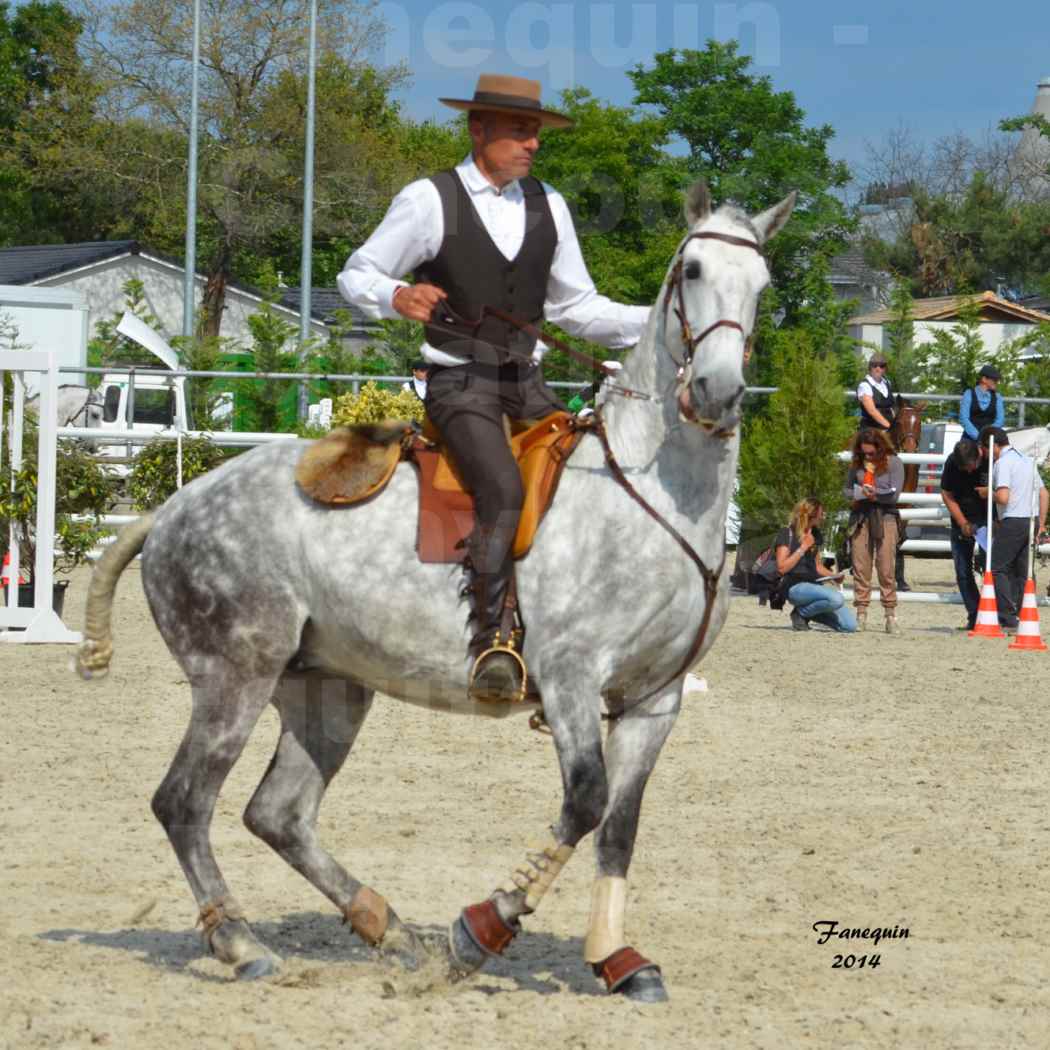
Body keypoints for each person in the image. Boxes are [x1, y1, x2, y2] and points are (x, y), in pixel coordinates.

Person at [337, 73, 649, 702]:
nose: (532, 144)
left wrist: (664, 319)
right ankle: (491, 641)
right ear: (478, 129)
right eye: (519, 132)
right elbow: (357, 272)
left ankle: (586, 632)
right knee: (504, 484)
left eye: (535, 133)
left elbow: (577, 308)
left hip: (527, 384)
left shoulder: (549, 204)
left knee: (595, 473)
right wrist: (396, 294)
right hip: (461, 384)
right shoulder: (429, 200)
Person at [978, 426, 1049, 633]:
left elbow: (1002, 497)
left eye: (984, 449)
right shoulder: (1027, 460)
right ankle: (1022, 613)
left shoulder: (1002, 463)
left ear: (992, 446)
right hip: (1032, 519)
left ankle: (1007, 617)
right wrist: (1041, 525)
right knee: (1024, 571)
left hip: (1014, 520)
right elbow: (1044, 494)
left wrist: (986, 492)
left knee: (997, 567)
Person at [845, 428, 905, 634]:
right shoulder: (857, 464)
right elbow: (846, 489)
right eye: (864, 453)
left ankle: (890, 615)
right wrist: (856, 494)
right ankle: (861, 613)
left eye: (871, 453)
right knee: (861, 566)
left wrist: (875, 495)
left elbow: (895, 494)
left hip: (885, 516)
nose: (867, 457)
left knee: (886, 566)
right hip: (861, 516)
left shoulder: (894, 463)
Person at [774, 498, 856, 632]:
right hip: (794, 587)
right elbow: (781, 568)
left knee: (849, 626)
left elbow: (817, 566)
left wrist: (833, 576)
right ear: (810, 516)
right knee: (836, 599)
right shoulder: (787, 533)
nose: (822, 518)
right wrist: (803, 547)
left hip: (814, 586)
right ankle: (800, 613)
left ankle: (808, 612)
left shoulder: (815, 533)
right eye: (820, 515)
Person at [939, 438, 987, 630]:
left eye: (970, 466)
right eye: (964, 468)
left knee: (993, 568)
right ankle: (974, 615)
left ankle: (999, 615)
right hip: (962, 520)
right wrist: (962, 522)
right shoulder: (952, 462)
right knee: (962, 571)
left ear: (979, 455)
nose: (968, 471)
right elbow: (947, 494)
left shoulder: (991, 461)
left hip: (988, 520)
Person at [959, 365, 1004, 440]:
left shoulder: (997, 397)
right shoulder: (969, 394)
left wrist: (987, 436)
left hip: (989, 440)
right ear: (984, 379)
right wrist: (978, 436)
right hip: (969, 439)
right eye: (995, 380)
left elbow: (1000, 420)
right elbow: (963, 418)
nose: (997, 382)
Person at [856, 354, 896, 432]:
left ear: (885, 369)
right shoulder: (865, 385)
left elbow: (891, 408)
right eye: (875, 365)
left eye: (882, 366)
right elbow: (872, 411)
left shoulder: (887, 383)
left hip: (889, 429)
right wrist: (889, 426)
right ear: (870, 367)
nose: (878, 368)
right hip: (871, 429)